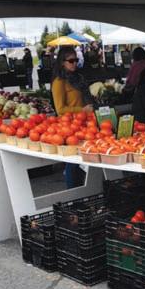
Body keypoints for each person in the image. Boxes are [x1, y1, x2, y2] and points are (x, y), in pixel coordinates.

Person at [51, 47, 94, 187]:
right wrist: (82, 110)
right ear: (62, 62)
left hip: (85, 124)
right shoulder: (59, 82)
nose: (74, 63)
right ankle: (73, 192)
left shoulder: (79, 78)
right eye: (71, 61)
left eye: (76, 60)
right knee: (73, 162)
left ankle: (85, 189)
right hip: (70, 127)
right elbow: (60, 109)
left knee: (84, 158)